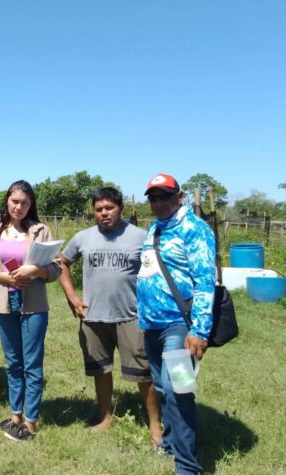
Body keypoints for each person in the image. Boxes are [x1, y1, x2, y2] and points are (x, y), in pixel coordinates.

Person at [58, 187, 162, 444]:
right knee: (100, 370)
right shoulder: (83, 237)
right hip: (93, 316)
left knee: (144, 373)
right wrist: (72, 297)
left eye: (109, 208)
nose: (103, 213)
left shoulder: (141, 236)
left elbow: (158, 271)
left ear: (121, 209)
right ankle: (105, 417)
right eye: (98, 209)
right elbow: (62, 263)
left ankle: (155, 427)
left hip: (131, 315)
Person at [137, 173, 215, 475]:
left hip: (179, 326)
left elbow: (205, 281)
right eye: (153, 198)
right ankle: (170, 443)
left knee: (179, 388)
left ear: (179, 197)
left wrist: (199, 330)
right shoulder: (155, 227)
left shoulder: (194, 229)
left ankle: (187, 465)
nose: (158, 203)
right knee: (162, 386)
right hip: (152, 325)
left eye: (165, 196)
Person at [0, 180, 61, 441]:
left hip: (33, 305)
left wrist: (36, 270)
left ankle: (31, 421)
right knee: (13, 363)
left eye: (25, 203)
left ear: (31, 205)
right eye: (15, 201)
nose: (19, 207)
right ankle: (16, 415)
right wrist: (3, 277)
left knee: (32, 364)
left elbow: (56, 268)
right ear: (7, 201)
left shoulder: (40, 231)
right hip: (4, 303)